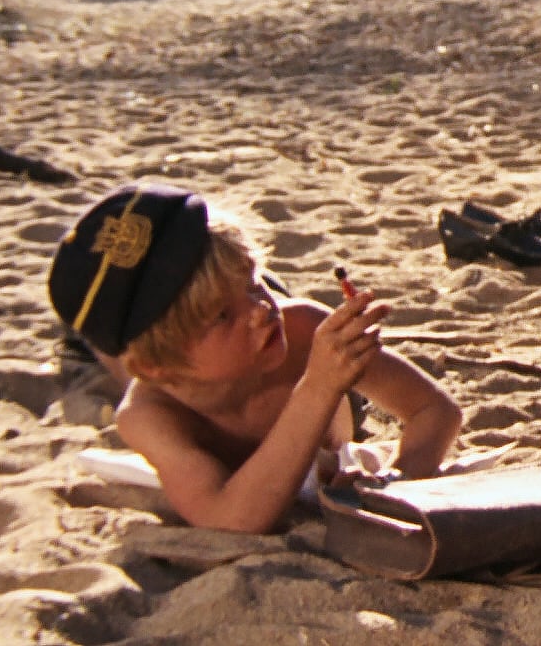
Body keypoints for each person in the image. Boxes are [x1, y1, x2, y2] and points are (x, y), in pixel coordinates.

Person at [48, 183, 463, 534]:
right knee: (116, 363)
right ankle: (88, 342)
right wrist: (317, 387)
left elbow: (437, 411)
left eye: (253, 281)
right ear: (158, 369)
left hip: (286, 363)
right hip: (168, 372)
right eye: (222, 316)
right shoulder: (150, 417)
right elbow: (229, 519)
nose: (261, 310)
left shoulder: (301, 331)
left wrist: (396, 485)